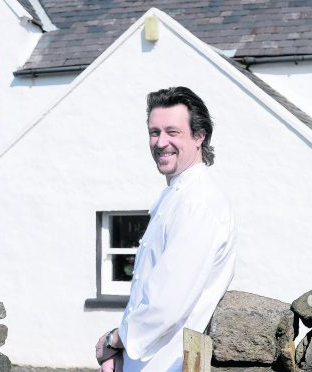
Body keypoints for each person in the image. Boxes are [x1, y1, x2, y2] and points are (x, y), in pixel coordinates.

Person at [96, 87, 236, 371]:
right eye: (154, 132)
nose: (160, 142)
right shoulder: (178, 195)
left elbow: (166, 304)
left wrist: (113, 340)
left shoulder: (198, 204)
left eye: (173, 132)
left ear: (200, 136)